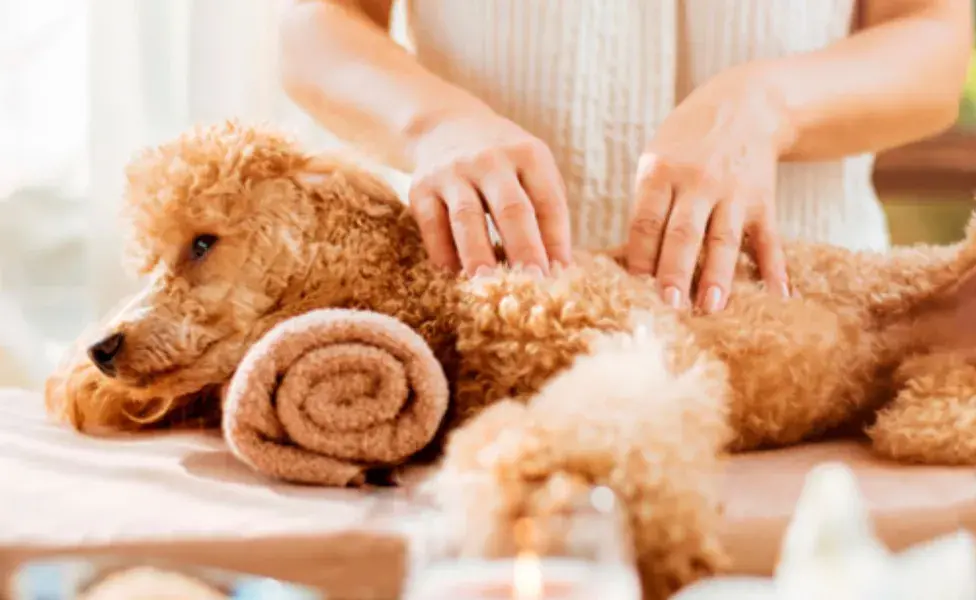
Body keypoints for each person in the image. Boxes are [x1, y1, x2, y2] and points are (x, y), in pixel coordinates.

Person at [279, 0, 973, 313]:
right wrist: (434, 123)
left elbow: (935, 39)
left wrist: (771, 105)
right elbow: (312, 23)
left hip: (819, 334)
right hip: (486, 334)